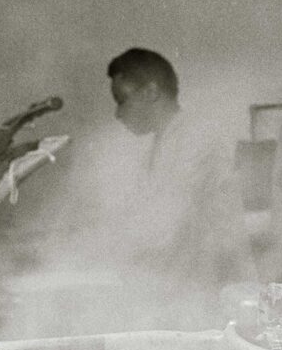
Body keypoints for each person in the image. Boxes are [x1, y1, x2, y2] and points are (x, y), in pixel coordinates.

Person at [104, 47, 251, 329]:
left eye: (121, 100)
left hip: (212, 297)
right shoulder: (163, 142)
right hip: (186, 295)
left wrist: (117, 253)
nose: (118, 113)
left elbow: (168, 227)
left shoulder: (196, 138)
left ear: (151, 91)